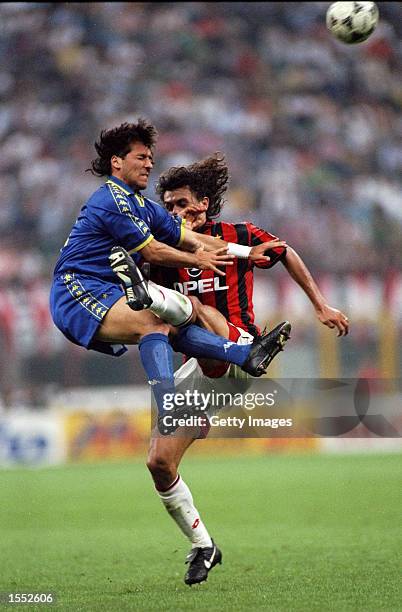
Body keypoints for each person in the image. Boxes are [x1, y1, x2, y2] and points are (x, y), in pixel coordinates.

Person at [49, 122, 292, 586]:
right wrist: (196, 260)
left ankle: (204, 546)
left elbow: (191, 239)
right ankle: (195, 377)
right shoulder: (111, 199)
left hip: (110, 291)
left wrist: (248, 251)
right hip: (76, 289)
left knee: (158, 461)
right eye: (141, 156)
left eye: (149, 156)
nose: (148, 163)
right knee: (161, 317)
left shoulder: (143, 206)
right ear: (117, 162)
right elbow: (159, 249)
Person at [136, 153, 349, 586]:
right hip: (201, 366)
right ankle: (204, 546)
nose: (174, 213)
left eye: (181, 204)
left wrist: (320, 304)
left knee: (193, 308)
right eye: (169, 206)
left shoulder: (235, 236)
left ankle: (247, 356)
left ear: (203, 204)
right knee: (158, 463)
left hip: (242, 350)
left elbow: (283, 251)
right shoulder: (163, 251)